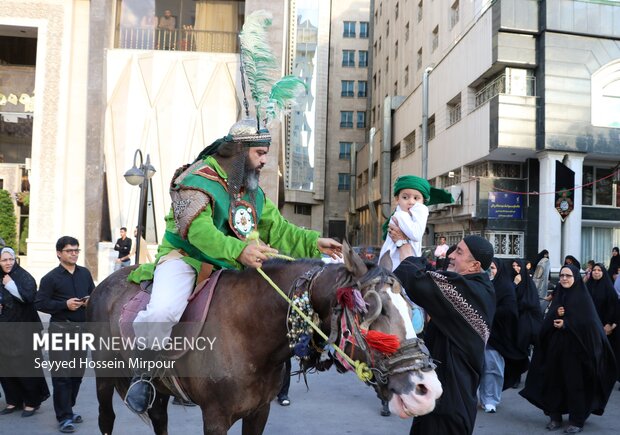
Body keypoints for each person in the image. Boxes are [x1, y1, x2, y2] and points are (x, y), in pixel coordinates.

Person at [125, 119, 342, 414]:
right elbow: (197, 232)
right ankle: (144, 375)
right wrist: (240, 250)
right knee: (164, 310)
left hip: (231, 265)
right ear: (239, 151)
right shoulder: (194, 180)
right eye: (260, 153)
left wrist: (315, 243)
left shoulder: (252, 191)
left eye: (266, 153)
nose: (265, 160)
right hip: (186, 259)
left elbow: (278, 230)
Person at [389, 232, 496, 435]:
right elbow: (429, 274)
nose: (451, 255)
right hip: (438, 398)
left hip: (450, 405)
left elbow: (417, 280)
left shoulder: (471, 291)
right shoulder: (473, 286)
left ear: (475, 265)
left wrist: (403, 243)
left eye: (459, 252)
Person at [520, 264, 617, 433]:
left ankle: (576, 420)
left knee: (575, 385)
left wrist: (567, 323)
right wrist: (555, 316)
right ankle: (555, 417)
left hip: (576, 352)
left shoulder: (582, 298)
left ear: (575, 278)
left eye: (568, 276)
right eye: (562, 275)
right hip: (555, 350)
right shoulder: (558, 296)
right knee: (554, 383)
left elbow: (590, 325)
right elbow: (546, 323)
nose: (564, 278)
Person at [35, 237, 95, 434]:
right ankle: (65, 416)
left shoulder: (85, 274)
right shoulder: (50, 278)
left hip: (81, 331)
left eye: (76, 250)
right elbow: (40, 303)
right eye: (70, 251)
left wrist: (88, 301)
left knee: (76, 375)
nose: (74, 254)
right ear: (59, 253)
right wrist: (64, 305)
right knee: (61, 376)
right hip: (60, 331)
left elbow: (93, 294)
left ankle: (67, 409)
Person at [0, 247, 50, 417]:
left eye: (10, 259)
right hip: (4, 331)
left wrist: (10, 285)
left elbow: (28, 297)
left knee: (25, 366)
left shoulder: (24, 277)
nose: (8, 263)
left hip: (25, 330)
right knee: (6, 367)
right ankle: (13, 400)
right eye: (4, 260)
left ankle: (31, 402)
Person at [378, 176, 451, 272]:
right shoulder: (400, 216)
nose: (411, 202)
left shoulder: (412, 218)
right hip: (394, 268)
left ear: (423, 201)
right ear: (397, 199)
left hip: (407, 267)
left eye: (416, 198)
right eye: (405, 197)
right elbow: (416, 235)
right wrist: (423, 210)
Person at [478, 258, 522, 414]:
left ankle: (490, 399)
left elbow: (510, 311)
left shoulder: (505, 287)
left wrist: (490, 311)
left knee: (492, 368)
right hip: (478, 334)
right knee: (477, 367)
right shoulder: (481, 284)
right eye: (488, 268)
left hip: (497, 336)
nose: (491, 271)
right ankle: (480, 398)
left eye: (493, 268)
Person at [586, 263, 620, 385]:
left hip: (605, 327)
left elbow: (615, 307)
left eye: (599, 270)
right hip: (590, 326)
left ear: (603, 273)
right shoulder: (587, 286)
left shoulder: (608, 288)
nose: (596, 272)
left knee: (605, 353)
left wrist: (610, 324)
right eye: (594, 270)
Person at [510, 259, 542, 387]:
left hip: (529, 319)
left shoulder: (529, 283)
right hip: (517, 319)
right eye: (513, 265)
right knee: (518, 348)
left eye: (518, 265)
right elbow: (509, 299)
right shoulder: (511, 281)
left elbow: (531, 302)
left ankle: (536, 376)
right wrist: (514, 284)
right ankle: (516, 377)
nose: (516, 268)